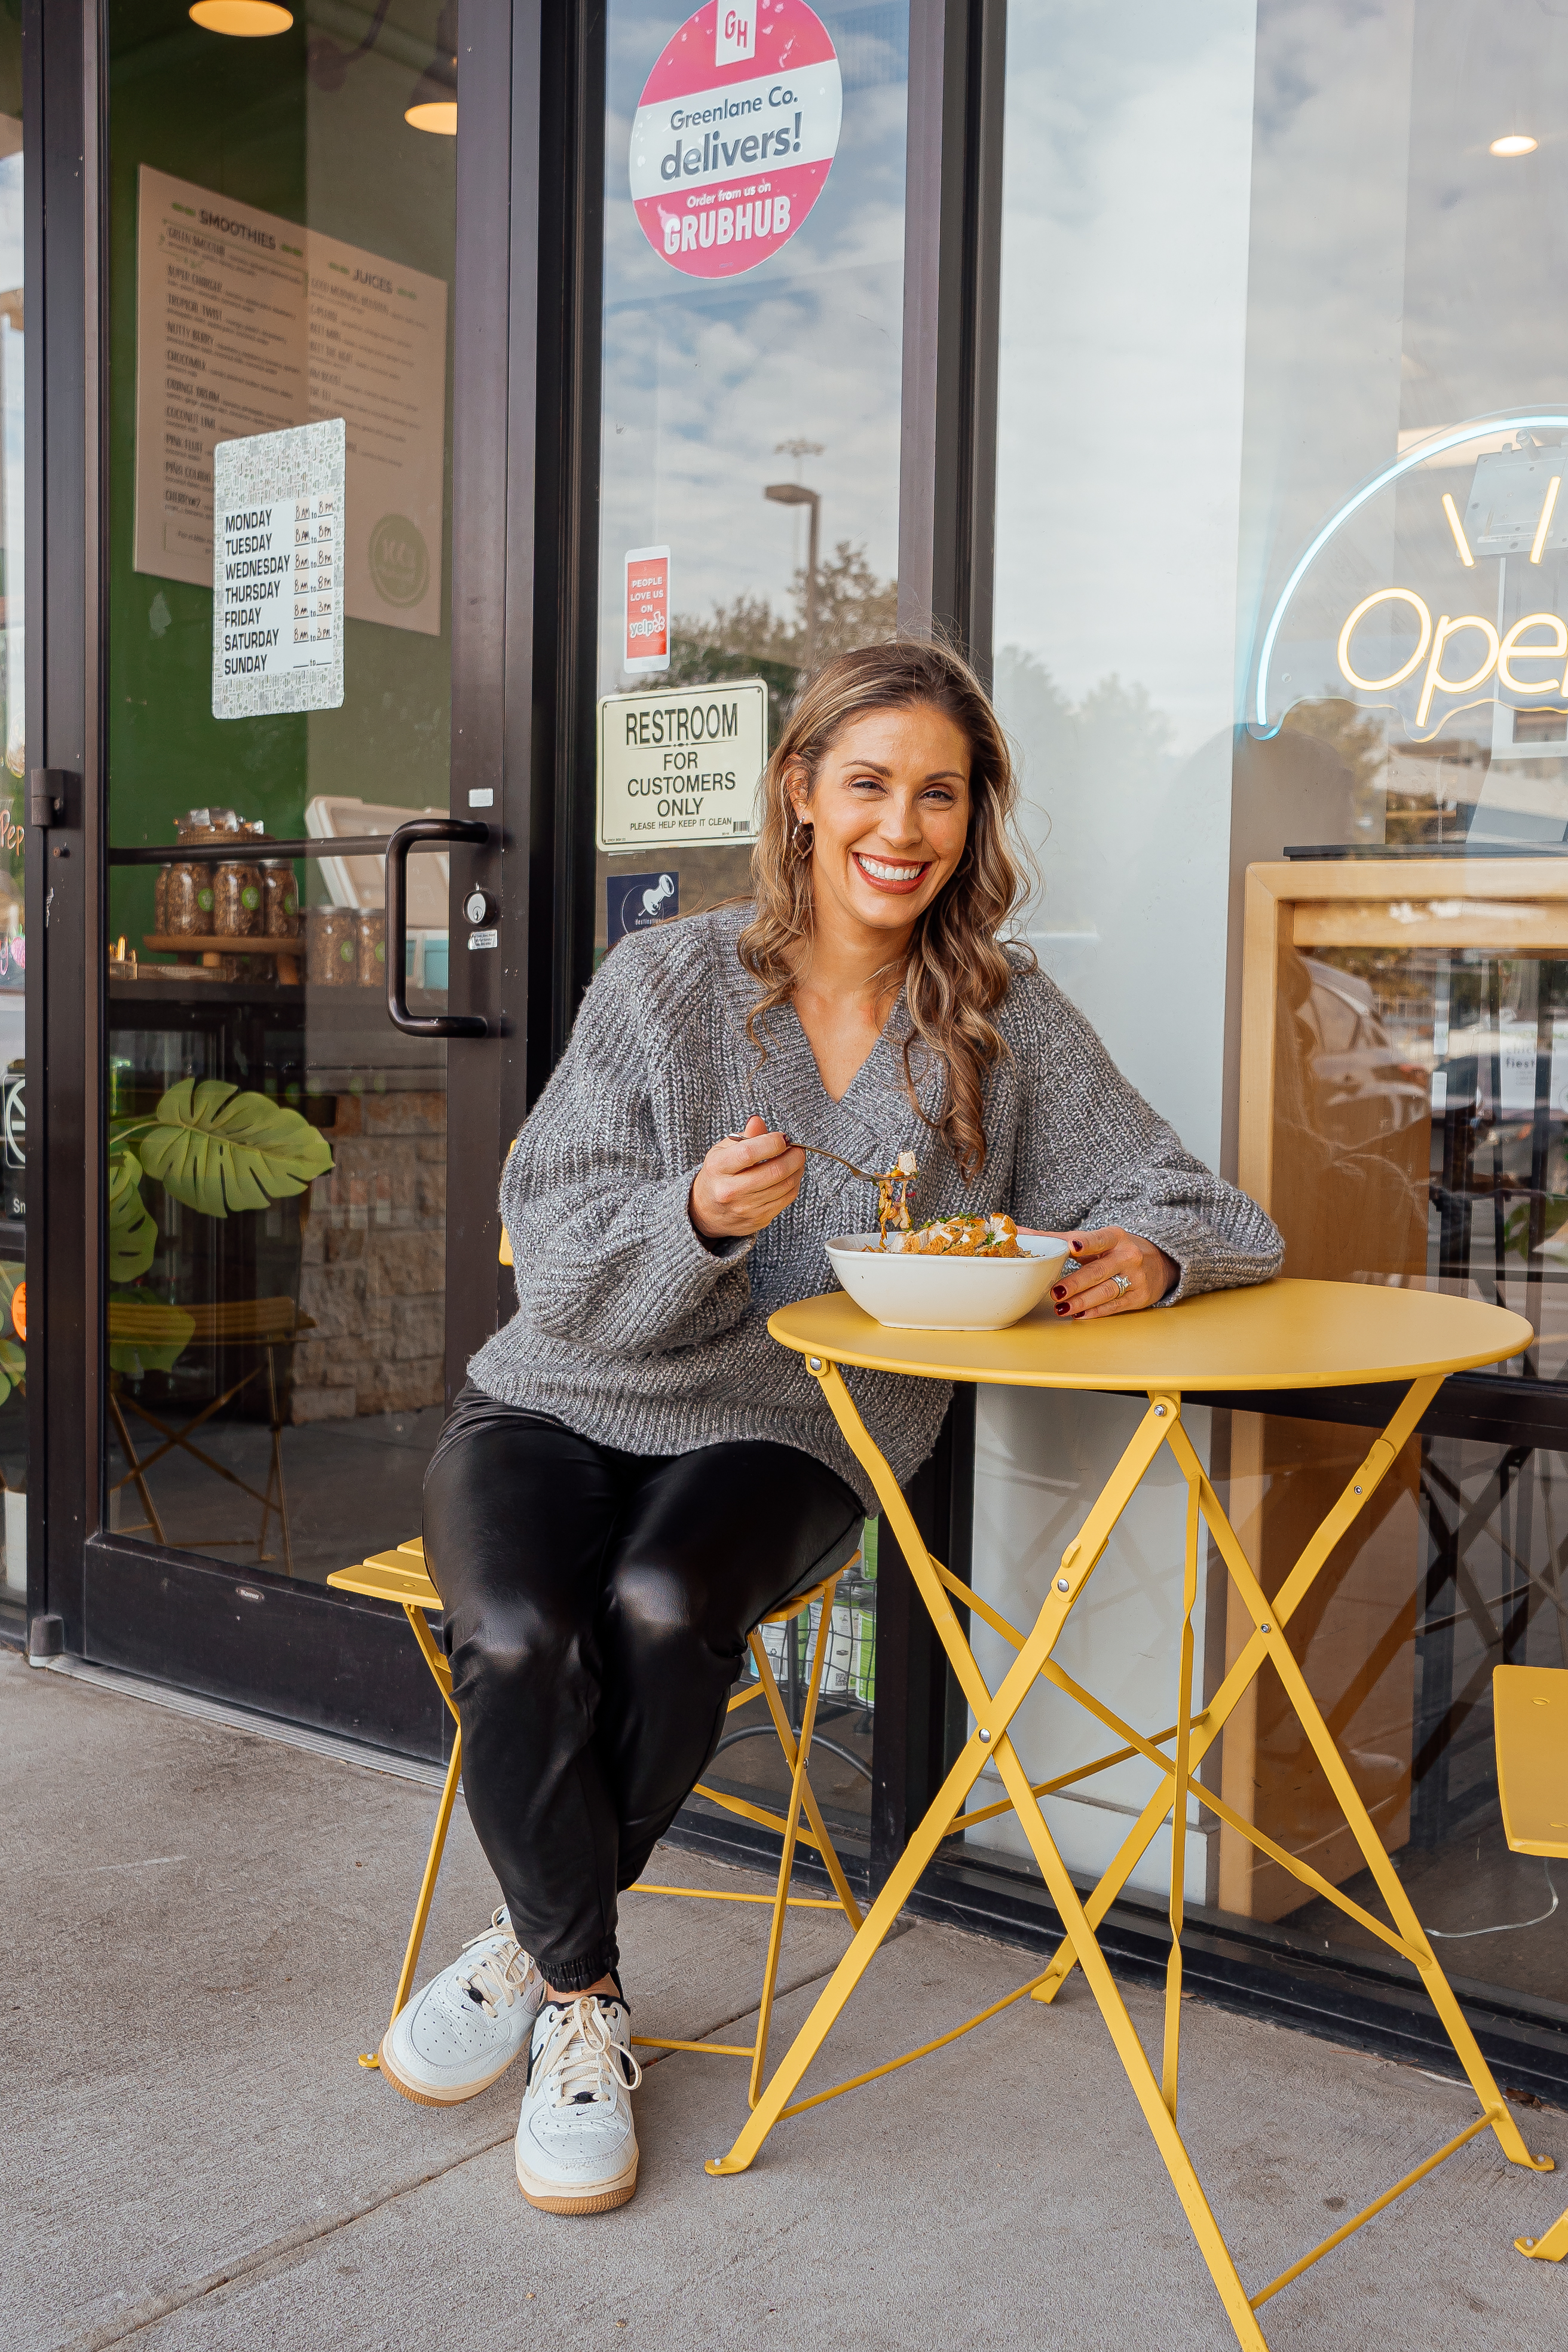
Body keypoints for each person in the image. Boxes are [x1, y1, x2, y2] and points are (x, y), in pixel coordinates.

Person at [381, 639, 1282, 2213]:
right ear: (801, 793)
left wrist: (1149, 1252)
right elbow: (552, 1218)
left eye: (941, 792)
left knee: (666, 1606)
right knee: (520, 1632)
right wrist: (696, 1219)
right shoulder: (666, 981)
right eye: (870, 782)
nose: (904, 822)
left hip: (798, 1419)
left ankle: (533, 1963)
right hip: (558, 1391)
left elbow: (1189, 1197)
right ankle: (584, 1993)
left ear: (973, 819)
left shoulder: (999, 1021)